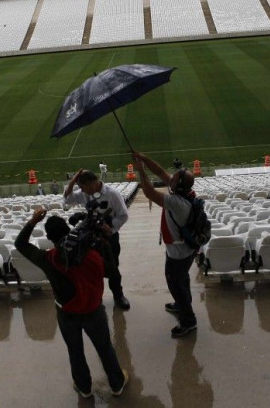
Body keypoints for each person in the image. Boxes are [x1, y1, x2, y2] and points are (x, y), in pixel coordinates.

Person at [14, 208, 129, 398]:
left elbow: (20, 243)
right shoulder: (92, 255)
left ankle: (84, 387)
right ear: (69, 231)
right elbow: (113, 272)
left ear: (50, 238)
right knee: (105, 348)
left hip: (66, 314)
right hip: (93, 311)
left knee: (75, 352)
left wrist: (33, 221)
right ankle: (117, 384)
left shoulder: (48, 259)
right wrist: (106, 242)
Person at [132, 151, 198, 338]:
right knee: (182, 280)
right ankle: (181, 304)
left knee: (176, 285)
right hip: (185, 250)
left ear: (177, 184)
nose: (170, 178)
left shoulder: (177, 203)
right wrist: (143, 158)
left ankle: (188, 322)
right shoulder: (187, 192)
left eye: (174, 178)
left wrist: (141, 171)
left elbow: (149, 192)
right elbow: (160, 172)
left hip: (178, 254)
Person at [64, 169, 130, 310]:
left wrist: (110, 228)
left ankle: (118, 296)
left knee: (113, 269)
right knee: (92, 268)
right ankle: (96, 298)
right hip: (90, 237)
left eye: (82, 187)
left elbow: (123, 215)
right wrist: (72, 181)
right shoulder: (84, 194)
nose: (81, 190)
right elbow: (68, 199)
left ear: (90, 183)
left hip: (108, 237)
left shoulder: (112, 194)